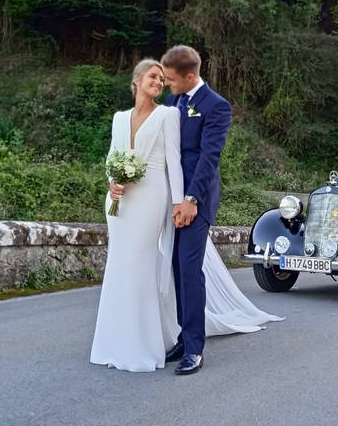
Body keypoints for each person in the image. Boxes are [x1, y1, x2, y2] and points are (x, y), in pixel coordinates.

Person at [90, 54, 280, 374]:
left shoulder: (216, 105)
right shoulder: (173, 103)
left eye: (170, 80)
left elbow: (208, 158)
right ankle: (179, 334)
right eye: (160, 79)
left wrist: (189, 199)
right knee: (174, 267)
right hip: (162, 199)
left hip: (196, 199)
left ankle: (194, 348)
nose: (166, 85)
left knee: (189, 269)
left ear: (189, 77)